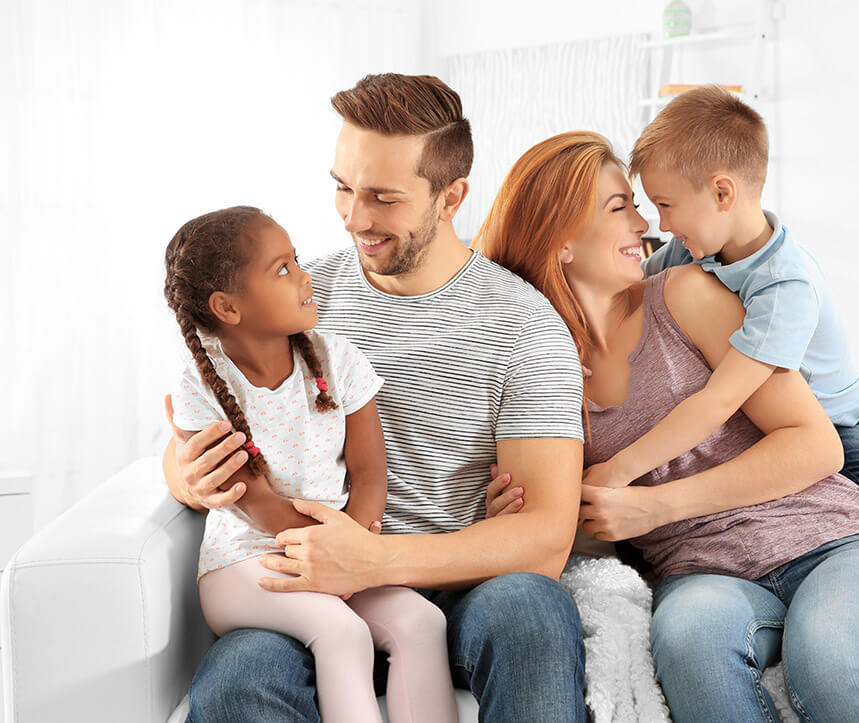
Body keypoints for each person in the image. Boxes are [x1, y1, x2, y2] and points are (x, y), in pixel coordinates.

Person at [162, 74, 588, 723]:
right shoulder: (297, 297)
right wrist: (191, 475)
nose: (354, 216)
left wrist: (375, 558)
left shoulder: (523, 327)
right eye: (343, 186)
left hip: (457, 593)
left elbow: (545, 537)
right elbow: (194, 430)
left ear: (451, 197)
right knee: (240, 678)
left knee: (533, 610)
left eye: (383, 197)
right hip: (304, 586)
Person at [477, 130, 859, 721]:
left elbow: (817, 446)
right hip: (699, 577)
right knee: (694, 656)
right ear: (560, 240)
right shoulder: (533, 368)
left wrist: (657, 506)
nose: (645, 223)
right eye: (620, 207)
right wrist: (510, 516)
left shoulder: (685, 295)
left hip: (833, 544)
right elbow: (577, 525)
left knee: (830, 668)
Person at [163, 205, 457, 723]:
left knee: (420, 620)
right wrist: (332, 560)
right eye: (283, 269)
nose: (305, 276)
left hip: (342, 549)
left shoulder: (337, 359)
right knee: (341, 632)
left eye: (297, 260)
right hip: (245, 565)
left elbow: (370, 473)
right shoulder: (199, 389)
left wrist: (356, 550)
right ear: (228, 307)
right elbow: (256, 504)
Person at [633, 85, 859, 527]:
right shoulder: (687, 252)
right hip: (754, 413)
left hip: (831, 418)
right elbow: (628, 299)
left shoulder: (784, 283)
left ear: (722, 194)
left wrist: (623, 470)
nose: (664, 225)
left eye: (666, 206)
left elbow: (719, 401)